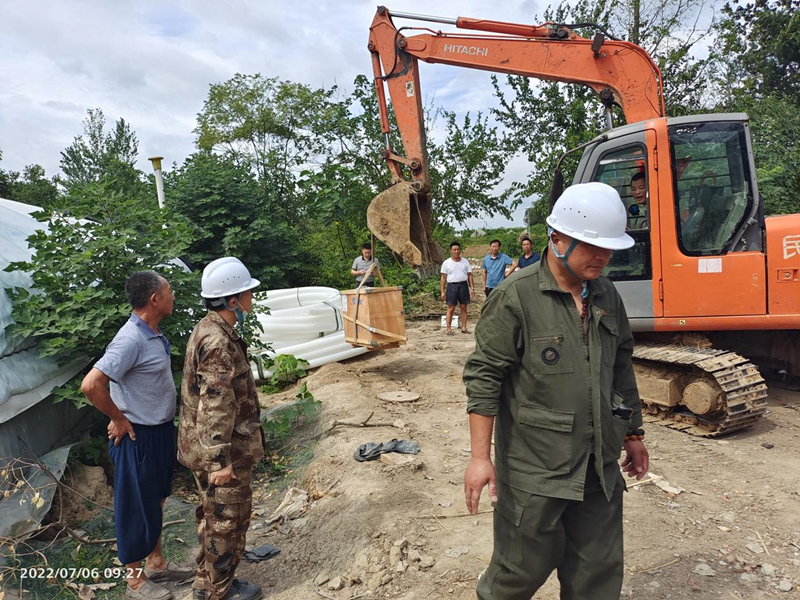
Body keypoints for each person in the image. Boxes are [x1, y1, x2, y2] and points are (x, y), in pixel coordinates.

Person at [463, 182, 649, 600]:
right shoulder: (515, 297)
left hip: (599, 467)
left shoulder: (606, 294)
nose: (602, 257)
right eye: (592, 247)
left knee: (597, 574)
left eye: (609, 249)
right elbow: (484, 377)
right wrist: (479, 458)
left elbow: (621, 367)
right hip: (536, 469)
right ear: (558, 238)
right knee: (518, 572)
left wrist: (633, 433)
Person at [81, 271, 192, 600]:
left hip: (159, 432)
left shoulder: (153, 333)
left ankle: (156, 563)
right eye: (169, 291)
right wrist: (118, 418)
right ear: (155, 299)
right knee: (134, 506)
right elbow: (91, 385)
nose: (173, 296)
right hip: (136, 437)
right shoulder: (129, 339)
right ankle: (135, 582)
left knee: (156, 499)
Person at [178, 257, 264, 600]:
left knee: (213, 516)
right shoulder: (217, 342)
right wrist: (219, 462)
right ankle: (220, 591)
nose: (251, 298)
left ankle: (206, 583)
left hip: (207, 446)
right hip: (222, 452)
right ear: (232, 301)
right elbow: (215, 404)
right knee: (227, 520)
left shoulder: (209, 329)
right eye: (247, 293)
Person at [440, 241, 475, 335]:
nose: (456, 251)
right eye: (454, 250)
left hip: (463, 286)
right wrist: (442, 291)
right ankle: (448, 329)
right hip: (452, 286)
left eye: (458, 249)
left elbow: (469, 275)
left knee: (464, 307)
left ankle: (464, 328)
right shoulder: (446, 263)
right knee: (451, 308)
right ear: (450, 251)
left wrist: (472, 288)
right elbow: (443, 278)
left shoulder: (465, 261)